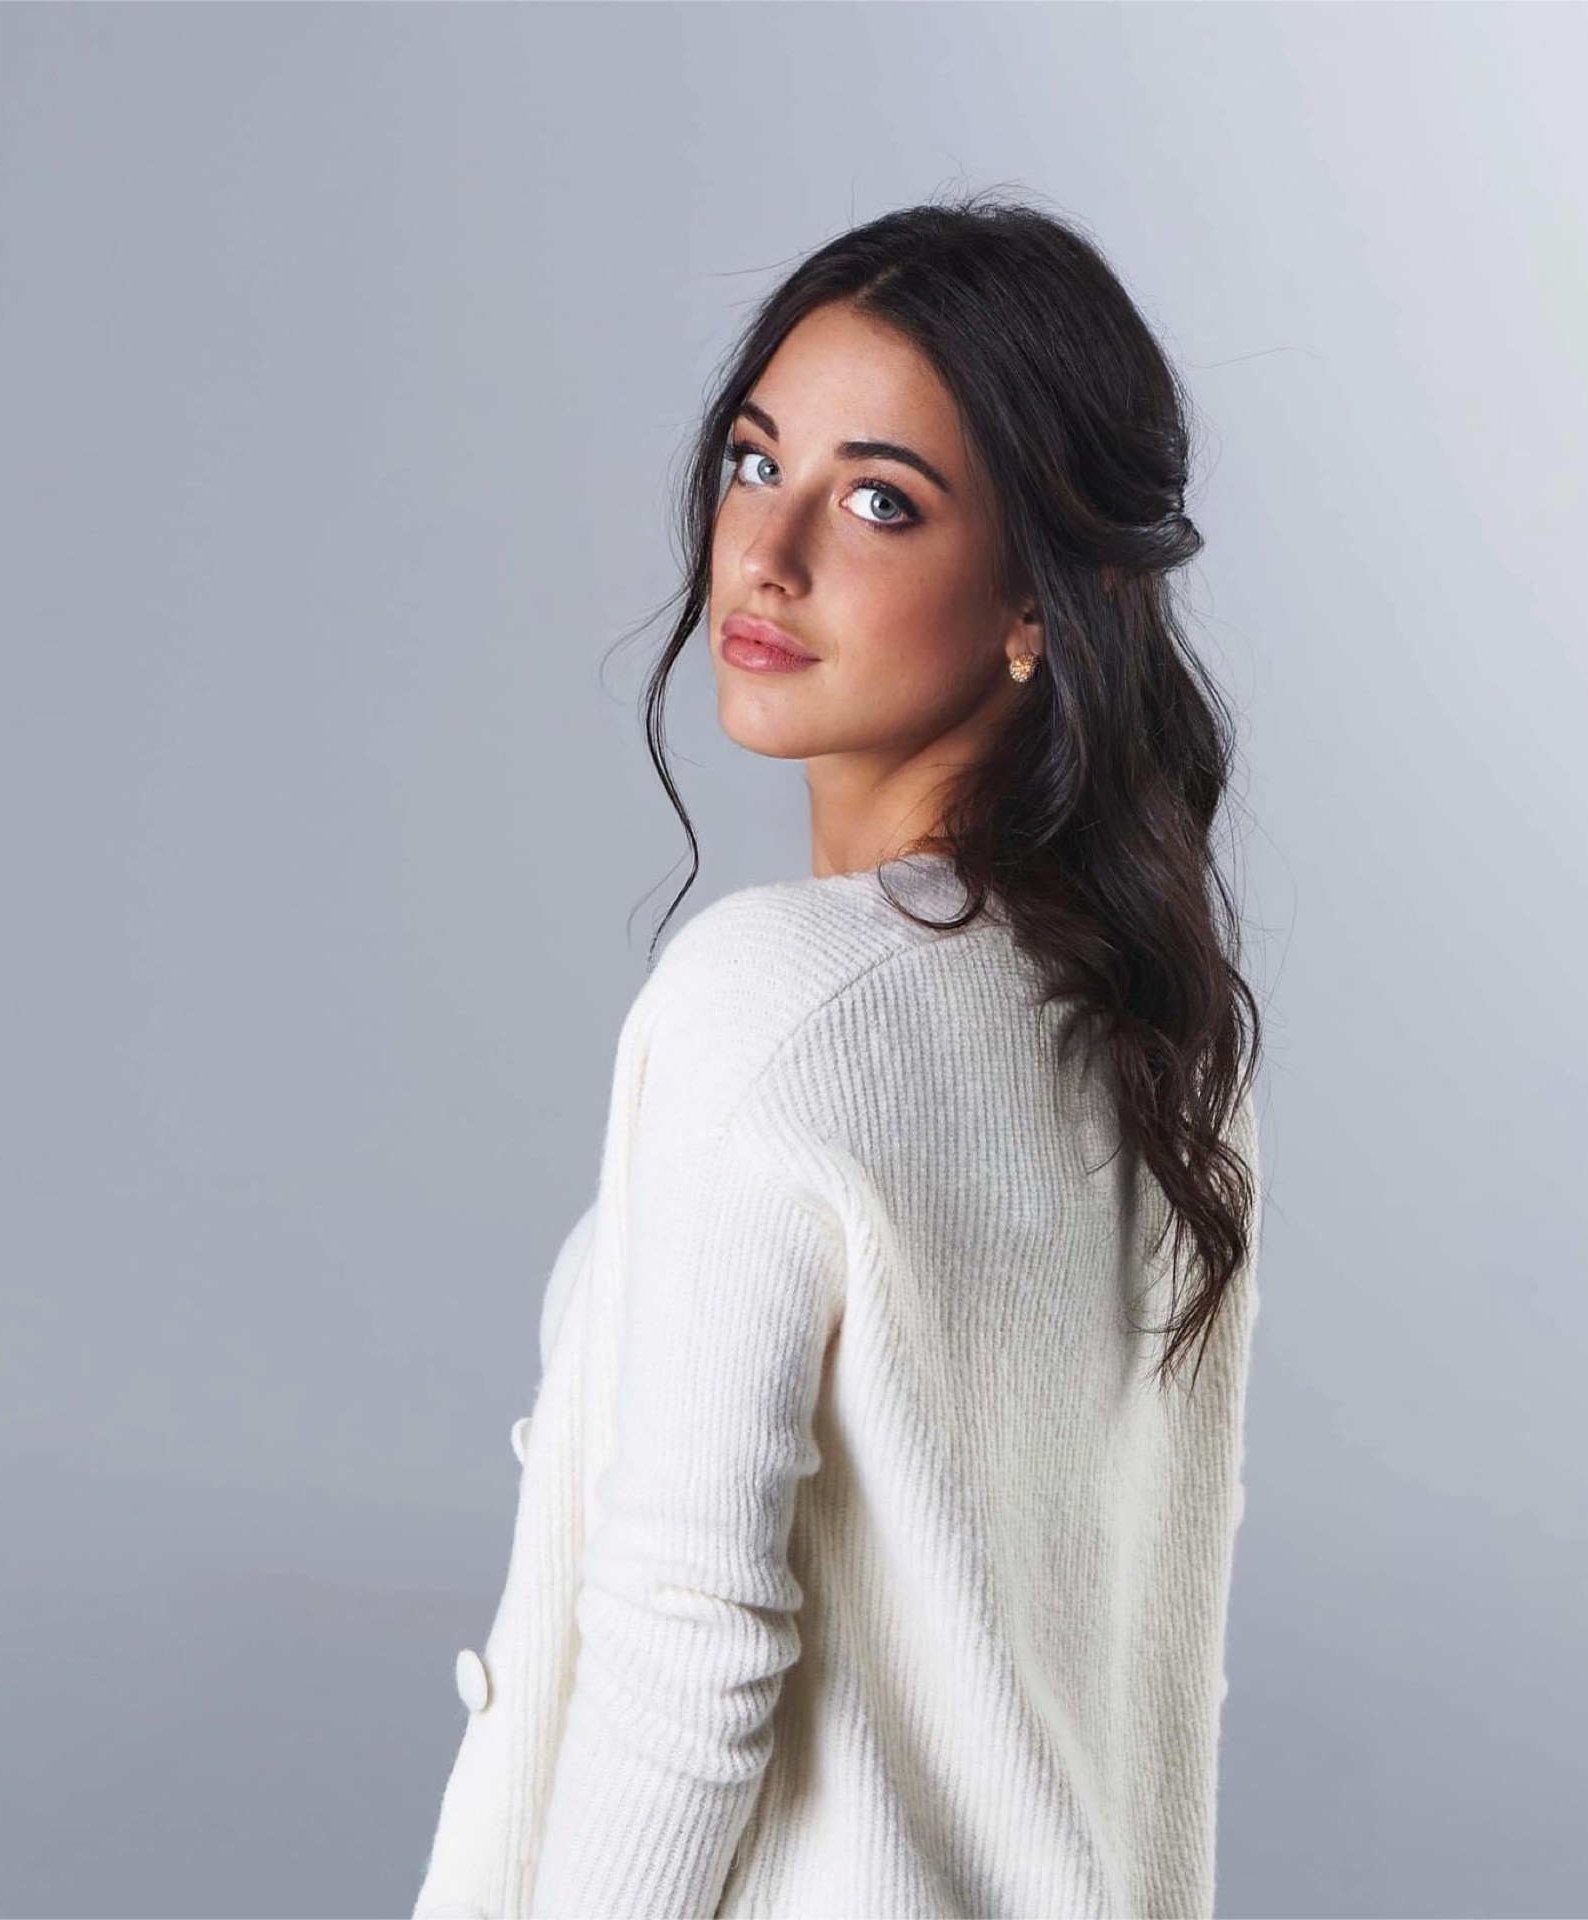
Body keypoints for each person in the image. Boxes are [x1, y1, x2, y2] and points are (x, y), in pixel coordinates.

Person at [410, 188, 1265, 1920]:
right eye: (754, 461)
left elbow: (682, 1653)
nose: (768, 552)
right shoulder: (1162, 1039)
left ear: (1038, 603)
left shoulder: (769, 1002)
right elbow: (1155, 1672)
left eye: (882, 500)